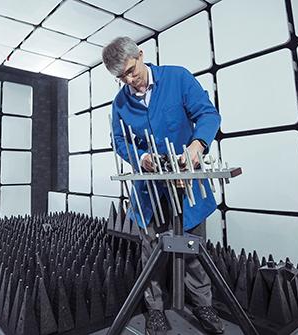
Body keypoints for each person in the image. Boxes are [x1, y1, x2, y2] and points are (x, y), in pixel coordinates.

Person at [103, 36, 224, 335]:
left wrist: (197, 145)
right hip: (150, 191)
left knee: (194, 247)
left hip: (187, 183)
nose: (129, 81)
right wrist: (141, 157)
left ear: (141, 56)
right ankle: (155, 310)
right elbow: (119, 141)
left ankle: (203, 305)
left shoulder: (177, 77)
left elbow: (208, 114)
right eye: (121, 78)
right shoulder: (120, 103)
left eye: (131, 71)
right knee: (151, 251)